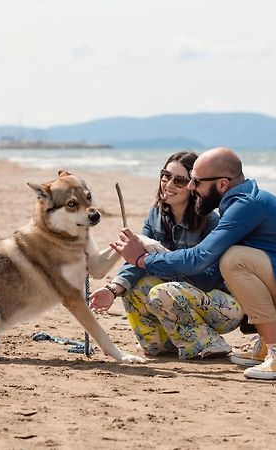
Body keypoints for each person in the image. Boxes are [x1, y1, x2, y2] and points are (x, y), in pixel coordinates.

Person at [111, 147, 276, 380]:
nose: (191, 187)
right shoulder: (246, 202)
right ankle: (266, 345)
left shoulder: (245, 206)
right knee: (241, 255)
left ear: (222, 184)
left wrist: (143, 259)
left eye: (196, 181)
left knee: (234, 259)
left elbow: (199, 258)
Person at [90, 151, 243, 359]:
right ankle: (165, 343)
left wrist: (157, 253)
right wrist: (112, 290)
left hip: (224, 306)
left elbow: (208, 279)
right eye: (166, 176)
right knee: (134, 287)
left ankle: (209, 342)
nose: (169, 185)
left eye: (179, 181)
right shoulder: (156, 216)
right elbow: (136, 261)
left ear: (192, 186)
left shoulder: (211, 222)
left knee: (162, 291)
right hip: (179, 295)